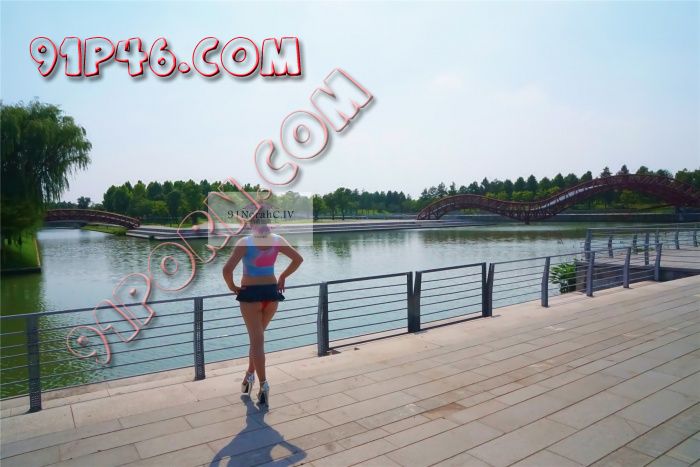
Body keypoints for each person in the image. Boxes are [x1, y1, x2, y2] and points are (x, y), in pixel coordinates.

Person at [222, 217, 303, 406]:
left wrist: (232, 287)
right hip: (271, 295)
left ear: (251, 225)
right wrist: (283, 276)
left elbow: (227, 270)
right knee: (257, 341)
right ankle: (249, 376)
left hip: (251, 296)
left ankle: (264, 385)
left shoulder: (245, 242)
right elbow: (298, 259)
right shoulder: (277, 240)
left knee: (256, 342)